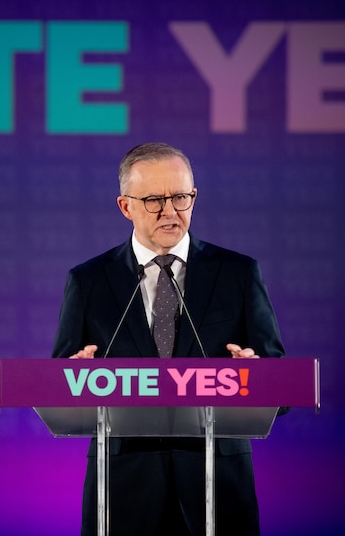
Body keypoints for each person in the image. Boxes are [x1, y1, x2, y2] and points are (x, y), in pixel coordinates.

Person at [51, 142, 285, 536]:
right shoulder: (89, 281)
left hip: (218, 488)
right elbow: (59, 387)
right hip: (123, 489)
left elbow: (281, 386)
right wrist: (75, 382)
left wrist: (257, 377)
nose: (171, 212)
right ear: (126, 206)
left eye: (180, 197)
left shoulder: (238, 273)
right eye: (155, 200)